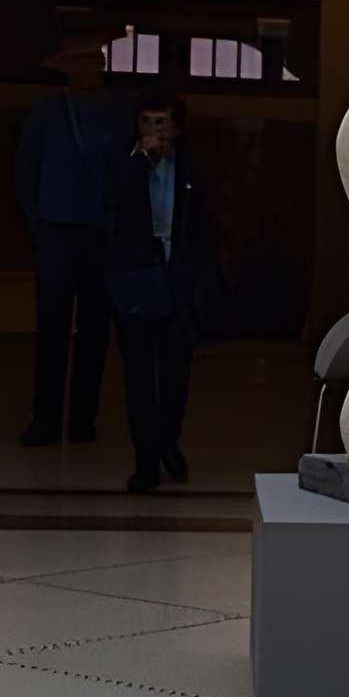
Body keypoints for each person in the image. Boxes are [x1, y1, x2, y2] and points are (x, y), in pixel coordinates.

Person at [102, 91, 220, 494]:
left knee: (175, 377)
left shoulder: (193, 169)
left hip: (179, 282)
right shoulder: (125, 164)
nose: (154, 131)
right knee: (138, 378)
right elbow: (112, 202)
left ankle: (167, 440)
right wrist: (140, 159)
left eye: (162, 122)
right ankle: (146, 462)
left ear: (177, 127)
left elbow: (207, 229)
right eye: (146, 122)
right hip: (136, 280)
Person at [13, 42, 130, 448]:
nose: (94, 68)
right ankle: (46, 419)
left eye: (96, 61)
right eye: (85, 62)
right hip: (58, 231)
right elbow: (25, 171)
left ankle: (83, 419)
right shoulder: (46, 112)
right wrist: (39, 220)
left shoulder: (117, 111)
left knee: (95, 331)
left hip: (99, 231)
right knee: (53, 330)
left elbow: (126, 169)